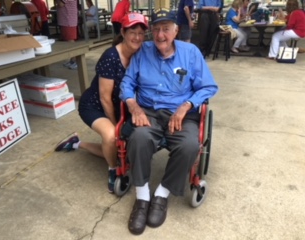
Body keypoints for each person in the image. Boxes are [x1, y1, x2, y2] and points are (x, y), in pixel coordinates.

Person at [119, 8, 218, 235]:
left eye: (166, 29)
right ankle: (142, 197)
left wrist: (186, 106)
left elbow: (208, 86)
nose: (160, 35)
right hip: (149, 111)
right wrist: (133, 106)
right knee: (139, 137)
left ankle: (162, 194)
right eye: (156, 30)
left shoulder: (190, 52)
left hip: (180, 113)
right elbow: (127, 83)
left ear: (176, 31)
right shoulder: (143, 51)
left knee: (189, 146)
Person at [54, 13, 148, 193]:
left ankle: (76, 143)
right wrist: (115, 125)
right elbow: (105, 98)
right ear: (123, 32)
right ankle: (113, 170)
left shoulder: (141, 53)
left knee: (125, 151)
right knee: (113, 136)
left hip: (119, 105)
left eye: (141, 33)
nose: (137, 37)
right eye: (132, 32)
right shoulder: (111, 56)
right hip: (95, 105)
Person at [57, 0, 78, 70]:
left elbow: (61, 4)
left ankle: (75, 61)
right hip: (67, 21)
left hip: (68, 21)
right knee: (69, 41)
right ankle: (72, 61)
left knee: (70, 41)